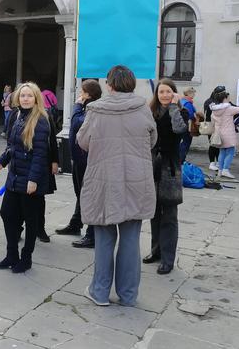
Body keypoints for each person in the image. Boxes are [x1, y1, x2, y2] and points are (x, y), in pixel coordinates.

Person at [77, 65, 157, 307]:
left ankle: (100, 292)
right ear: (131, 84)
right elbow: (152, 139)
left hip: (104, 180)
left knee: (104, 238)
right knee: (131, 241)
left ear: (109, 85)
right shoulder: (143, 107)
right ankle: (128, 295)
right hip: (137, 180)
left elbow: (83, 141)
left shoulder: (96, 110)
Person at [0, 82, 51, 273]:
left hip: (30, 180)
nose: (25, 98)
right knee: (7, 213)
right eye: (23, 95)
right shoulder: (17, 116)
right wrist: (2, 162)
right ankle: (11, 255)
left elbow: (41, 154)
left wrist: (33, 180)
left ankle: (26, 258)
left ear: (36, 99)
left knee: (30, 219)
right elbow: (12, 146)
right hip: (14, 176)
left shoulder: (40, 120)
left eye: (29, 96)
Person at [144, 78, 187, 275]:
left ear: (174, 93)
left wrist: (175, 107)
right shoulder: (151, 112)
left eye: (168, 91)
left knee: (169, 215)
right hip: (152, 165)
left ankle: (168, 258)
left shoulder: (180, 112)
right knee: (154, 212)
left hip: (170, 167)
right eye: (161, 92)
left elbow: (179, 129)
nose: (164, 95)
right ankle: (156, 251)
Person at [56, 79, 102, 249]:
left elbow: (77, 123)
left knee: (87, 194)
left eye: (82, 91)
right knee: (81, 192)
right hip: (79, 158)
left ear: (89, 94)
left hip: (87, 159)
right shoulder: (87, 106)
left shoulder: (93, 107)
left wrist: (76, 107)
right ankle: (76, 223)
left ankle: (91, 234)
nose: (80, 94)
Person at [210, 91, 239, 178]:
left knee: (222, 152)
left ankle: (220, 171)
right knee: (230, 151)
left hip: (219, 134)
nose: (230, 99)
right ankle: (225, 170)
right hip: (228, 134)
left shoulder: (214, 109)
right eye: (228, 97)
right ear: (225, 98)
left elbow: (213, 122)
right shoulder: (228, 108)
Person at [203, 85, 226, 171]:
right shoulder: (211, 102)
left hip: (217, 126)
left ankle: (216, 162)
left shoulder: (214, 101)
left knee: (217, 144)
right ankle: (212, 163)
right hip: (212, 126)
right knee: (213, 144)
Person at [178, 87, 198, 164]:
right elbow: (189, 115)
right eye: (193, 93)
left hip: (180, 125)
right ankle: (181, 160)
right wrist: (195, 119)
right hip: (187, 126)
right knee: (186, 143)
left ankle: (179, 159)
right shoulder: (188, 103)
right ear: (189, 93)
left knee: (181, 142)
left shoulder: (181, 101)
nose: (194, 95)